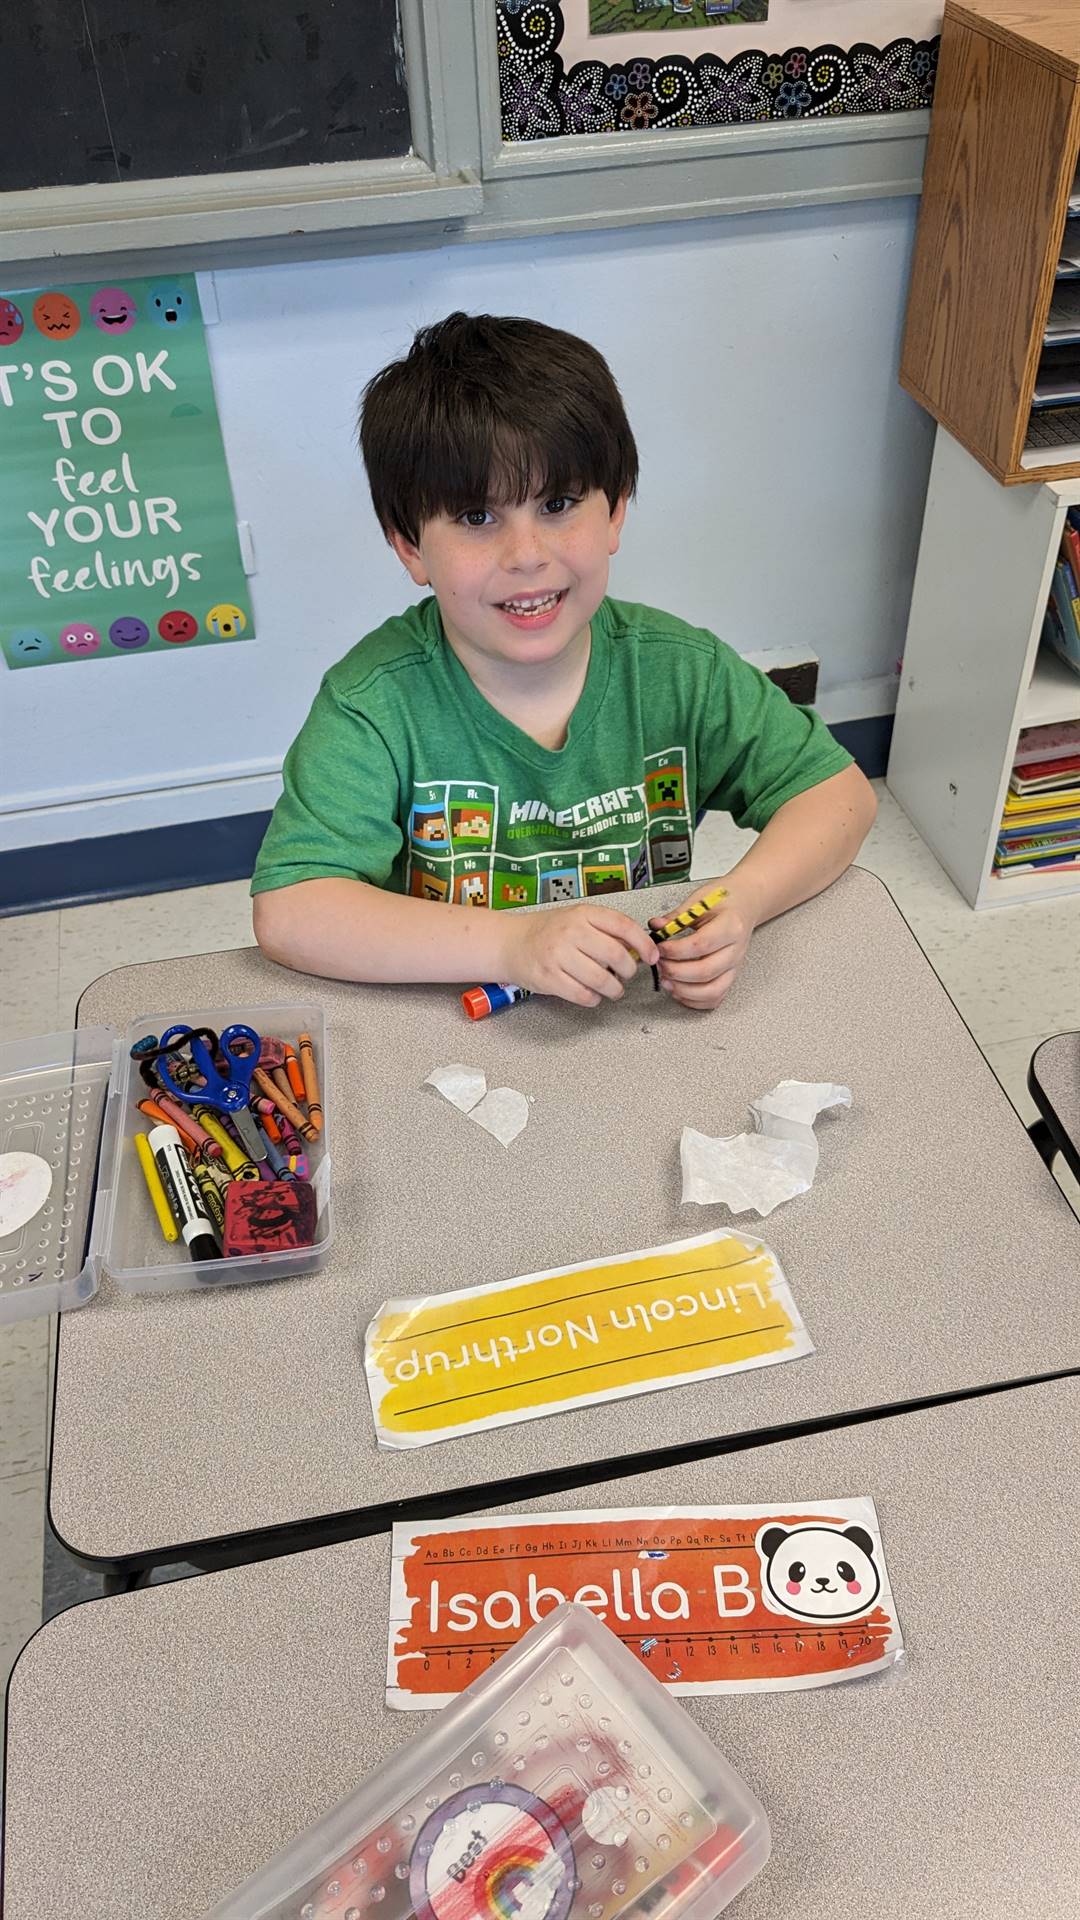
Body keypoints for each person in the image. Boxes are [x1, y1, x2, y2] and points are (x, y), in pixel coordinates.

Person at [252, 312, 876, 1010]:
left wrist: (743, 900)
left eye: (557, 503)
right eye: (475, 517)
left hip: (639, 1022)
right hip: (458, 1028)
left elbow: (839, 794)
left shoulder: (680, 670)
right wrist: (512, 943)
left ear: (615, 515)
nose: (526, 555)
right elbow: (292, 910)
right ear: (408, 547)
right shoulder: (373, 703)